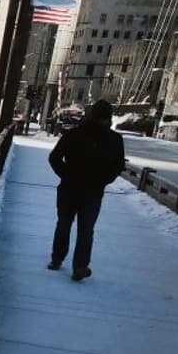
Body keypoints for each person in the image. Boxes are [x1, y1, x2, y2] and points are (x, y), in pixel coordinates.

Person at [46, 99, 125, 281]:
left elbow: (55, 157)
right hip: (92, 192)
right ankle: (80, 266)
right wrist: (103, 180)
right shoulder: (114, 140)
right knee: (86, 230)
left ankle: (57, 259)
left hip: (69, 188)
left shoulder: (74, 134)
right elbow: (118, 166)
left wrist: (65, 174)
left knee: (64, 225)